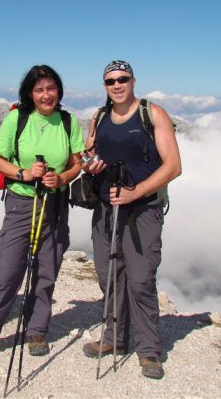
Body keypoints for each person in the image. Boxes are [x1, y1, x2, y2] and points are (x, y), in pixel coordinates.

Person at [0, 65, 85, 364]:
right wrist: (23, 173)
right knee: (8, 272)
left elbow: (76, 162)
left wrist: (61, 178)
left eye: (51, 88)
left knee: (47, 270)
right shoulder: (17, 118)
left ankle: (36, 330)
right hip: (21, 204)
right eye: (40, 90)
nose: (47, 95)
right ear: (30, 94)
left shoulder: (68, 121)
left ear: (59, 90)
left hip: (55, 204)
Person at [81, 60, 181, 379]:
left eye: (123, 79)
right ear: (105, 86)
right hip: (106, 206)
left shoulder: (152, 114)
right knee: (108, 274)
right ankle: (114, 339)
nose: (117, 85)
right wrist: (90, 165)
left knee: (139, 278)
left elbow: (173, 166)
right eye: (111, 81)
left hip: (143, 209)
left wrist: (135, 191)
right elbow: (88, 154)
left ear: (134, 81)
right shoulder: (98, 117)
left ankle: (148, 349)